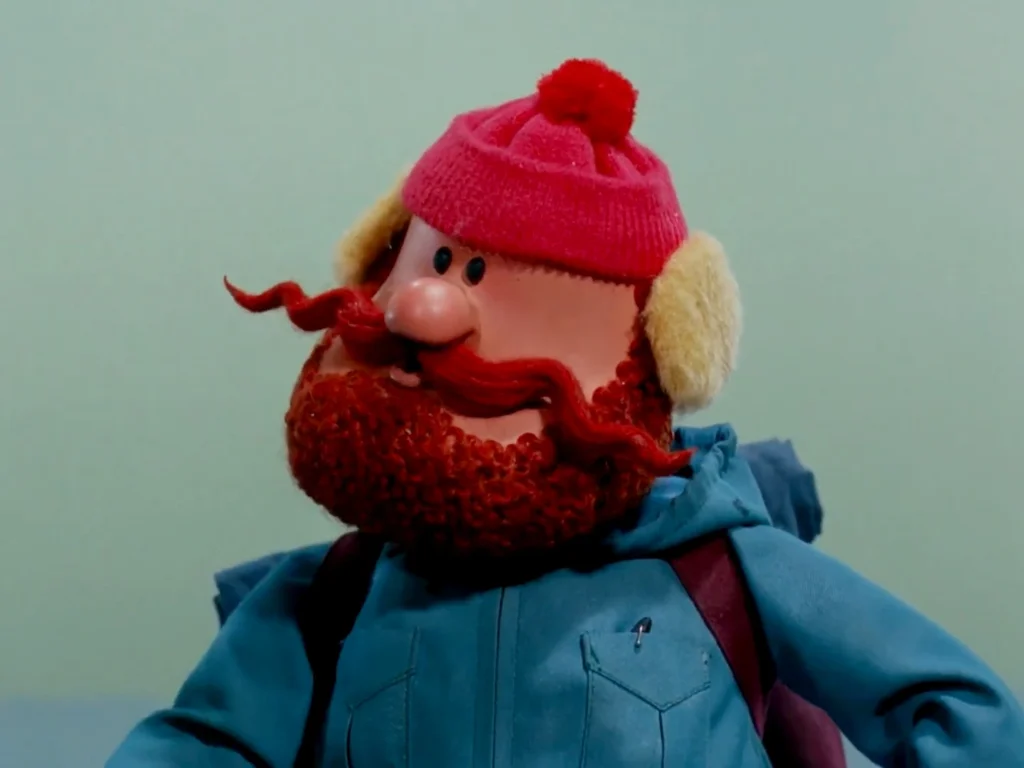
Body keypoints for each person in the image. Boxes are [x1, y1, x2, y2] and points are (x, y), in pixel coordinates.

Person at [109, 58, 1024, 767]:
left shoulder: (724, 571)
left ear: (665, 346)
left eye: (478, 278)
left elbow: (960, 715)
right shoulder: (336, 595)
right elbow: (202, 744)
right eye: (431, 263)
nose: (424, 311)